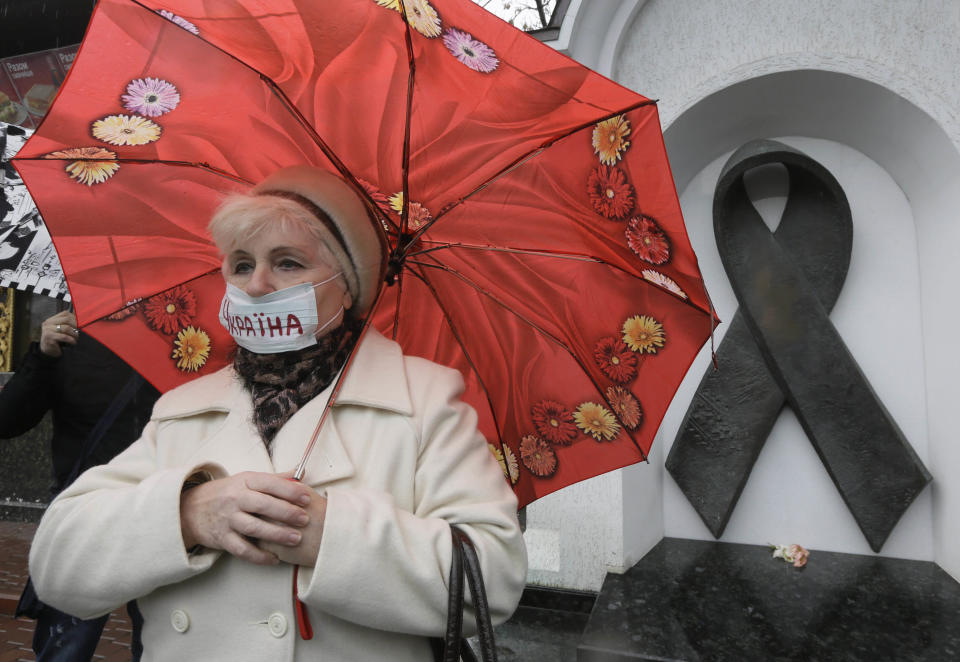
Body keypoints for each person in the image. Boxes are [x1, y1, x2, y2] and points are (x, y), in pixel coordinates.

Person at [28, 166, 527, 661]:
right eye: (241, 265)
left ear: (347, 285)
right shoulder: (182, 407)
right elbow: (57, 567)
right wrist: (186, 515)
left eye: (287, 263)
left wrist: (326, 536)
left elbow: (491, 578)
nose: (258, 285)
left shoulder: (425, 400)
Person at [0, 309, 160, 661]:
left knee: (161, 643)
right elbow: (8, 419)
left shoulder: (182, 335)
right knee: (66, 643)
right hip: (84, 509)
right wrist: (42, 355)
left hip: (160, 508)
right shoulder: (70, 335)